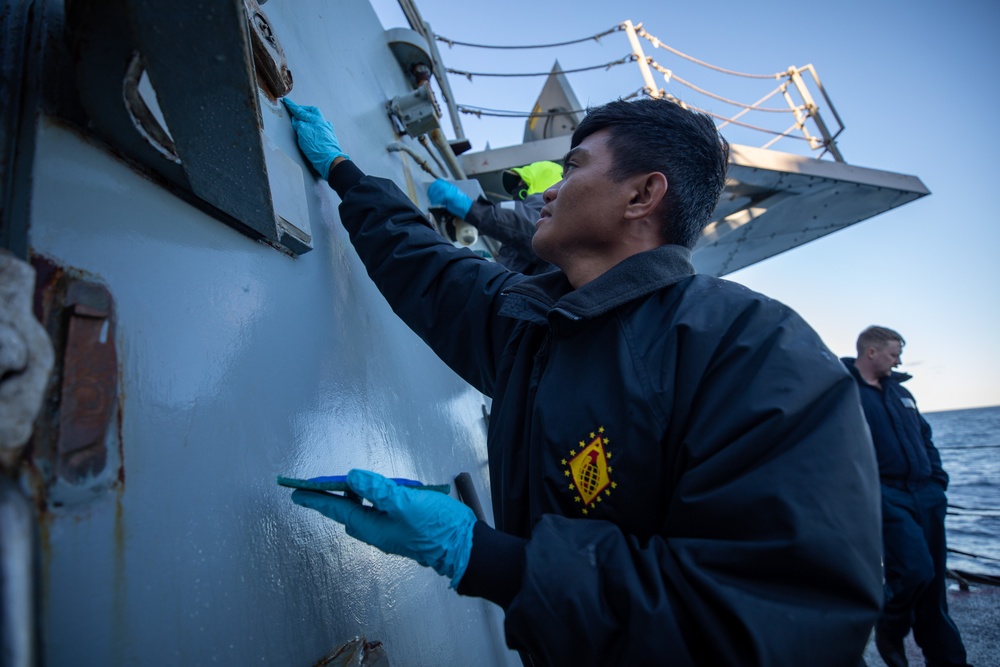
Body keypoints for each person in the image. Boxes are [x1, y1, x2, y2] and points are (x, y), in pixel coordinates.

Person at [281, 96, 884, 666]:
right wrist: (343, 172)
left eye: (572, 168)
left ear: (642, 195)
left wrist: (487, 560)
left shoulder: (752, 346)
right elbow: (430, 266)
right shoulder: (532, 322)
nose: (548, 190)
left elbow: (780, 623)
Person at [844, 326, 971, 667]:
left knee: (933, 588)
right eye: (893, 353)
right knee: (915, 570)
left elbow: (924, 437)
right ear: (871, 352)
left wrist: (936, 481)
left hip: (926, 494)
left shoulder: (900, 393)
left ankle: (948, 661)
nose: (898, 360)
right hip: (885, 494)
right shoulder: (844, 390)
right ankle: (890, 624)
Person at [427, 160, 562, 275]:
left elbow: (525, 225)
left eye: (522, 182)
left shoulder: (543, 208)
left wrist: (473, 209)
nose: (518, 187)